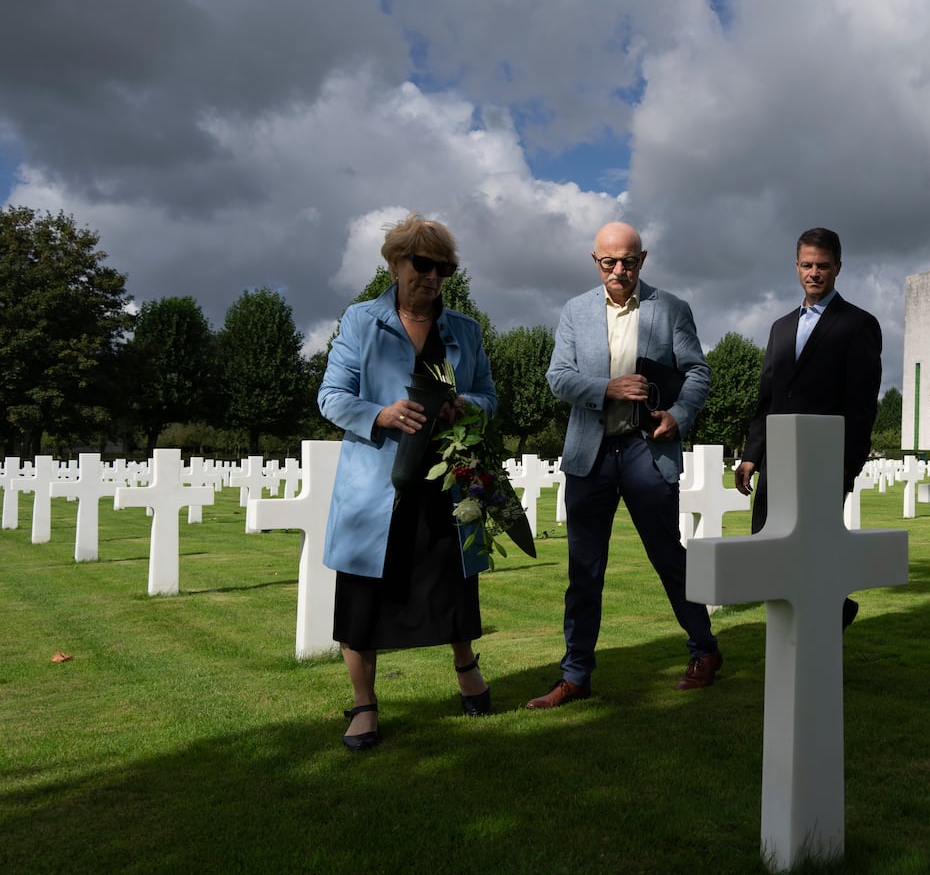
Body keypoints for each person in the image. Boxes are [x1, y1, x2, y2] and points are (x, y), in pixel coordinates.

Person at [319, 213, 497, 750]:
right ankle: (364, 704)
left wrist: (466, 406)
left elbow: (490, 396)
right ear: (395, 263)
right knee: (363, 595)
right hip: (377, 484)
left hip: (446, 479)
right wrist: (382, 414)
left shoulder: (463, 329)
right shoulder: (360, 321)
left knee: (453, 583)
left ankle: (466, 668)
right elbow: (331, 396)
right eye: (422, 264)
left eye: (443, 268)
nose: (432, 276)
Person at [527, 221, 720, 709]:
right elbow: (559, 378)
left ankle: (704, 650)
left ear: (643, 259)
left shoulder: (671, 309)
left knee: (668, 557)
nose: (619, 270)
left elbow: (698, 371)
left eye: (629, 261)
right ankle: (575, 675)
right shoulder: (574, 312)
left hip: (645, 451)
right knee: (584, 570)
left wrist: (679, 416)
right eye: (609, 261)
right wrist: (606, 389)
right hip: (589, 457)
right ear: (595, 261)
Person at [735, 227, 883, 629]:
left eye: (822, 265)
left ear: (838, 268)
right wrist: (752, 455)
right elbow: (768, 398)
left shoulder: (858, 325)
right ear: (796, 266)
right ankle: (837, 612)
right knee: (766, 553)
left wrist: (847, 468)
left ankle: (812, 634)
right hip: (777, 463)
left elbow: (861, 406)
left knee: (812, 558)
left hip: (823, 465)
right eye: (806, 265)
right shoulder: (781, 328)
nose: (813, 273)